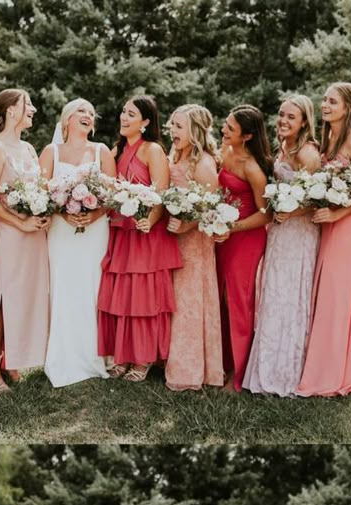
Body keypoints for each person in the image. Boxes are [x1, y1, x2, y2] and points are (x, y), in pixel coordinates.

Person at [96, 95, 182, 382]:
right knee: (122, 296)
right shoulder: (115, 151)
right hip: (121, 232)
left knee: (144, 298)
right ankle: (123, 355)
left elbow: (161, 191)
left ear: (145, 122)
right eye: (122, 112)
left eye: (130, 114)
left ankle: (144, 359)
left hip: (146, 233)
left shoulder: (152, 150)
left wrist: (151, 219)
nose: (123, 117)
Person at [244, 96, 321, 396]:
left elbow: (317, 197)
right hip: (279, 231)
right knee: (273, 293)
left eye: (291, 117)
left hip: (299, 233)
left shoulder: (307, 153)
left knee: (290, 294)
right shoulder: (283, 149)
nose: (284, 121)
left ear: (304, 121)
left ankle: (287, 373)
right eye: (281, 115)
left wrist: (293, 212)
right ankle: (264, 368)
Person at [297, 83, 351, 397]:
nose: (325, 105)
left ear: (348, 107)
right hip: (326, 224)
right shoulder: (327, 139)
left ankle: (333, 375)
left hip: (349, 226)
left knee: (337, 298)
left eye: (332, 101)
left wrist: (338, 215)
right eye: (324, 100)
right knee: (322, 294)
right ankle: (317, 366)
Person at [39, 98, 115, 387]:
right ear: (67, 119)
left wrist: (93, 213)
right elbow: (40, 193)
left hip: (95, 230)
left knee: (92, 287)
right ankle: (61, 357)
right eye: (81, 111)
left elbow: (113, 192)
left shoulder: (101, 151)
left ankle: (94, 356)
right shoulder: (51, 152)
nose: (87, 115)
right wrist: (63, 212)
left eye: (91, 113)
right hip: (61, 230)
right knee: (62, 286)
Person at [0, 89, 50, 392]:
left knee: (25, 294)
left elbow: (40, 188)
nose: (33, 109)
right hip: (9, 232)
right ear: (11, 110)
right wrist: (20, 221)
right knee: (5, 294)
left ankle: (12, 359)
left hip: (34, 233)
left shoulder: (30, 149)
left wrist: (44, 209)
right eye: (27, 105)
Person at [164, 105, 225, 391]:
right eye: (172, 125)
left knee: (189, 303)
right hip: (172, 238)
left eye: (178, 126)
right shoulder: (176, 155)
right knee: (174, 300)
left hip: (194, 242)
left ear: (195, 131)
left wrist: (187, 226)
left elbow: (212, 209)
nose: (172, 131)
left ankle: (188, 370)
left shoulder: (203, 164)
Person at [214, 105, 272, 391]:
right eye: (225, 124)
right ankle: (222, 362)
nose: (224, 129)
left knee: (238, 301)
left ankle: (238, 373)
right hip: (222, 236)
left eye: (231, 128)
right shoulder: (224, 153)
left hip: (245, 238)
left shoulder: (253, 168)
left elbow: (266, 215)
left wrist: (232, 228)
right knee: (221, 299)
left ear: (247, 136)